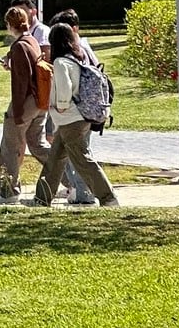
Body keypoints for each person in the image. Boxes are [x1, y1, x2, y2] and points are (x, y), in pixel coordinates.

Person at [33, 22, 119, 207]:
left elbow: (64, 90)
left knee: (83, 161)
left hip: (70, 119)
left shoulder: (60, 62)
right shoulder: (77, 59)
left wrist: (60, 107)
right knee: (55, 161)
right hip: (76, 119)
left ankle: (108, 198)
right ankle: (41, 199)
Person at [0, 5, 53, 201]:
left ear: (10, 25)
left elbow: (21, 82)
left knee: (10, 145)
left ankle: (8, 191)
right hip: (40, 101)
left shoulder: (19, 46)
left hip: (27, 101)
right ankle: (71, 177)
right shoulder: (32, 40)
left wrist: (17, 112)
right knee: (37, 144)